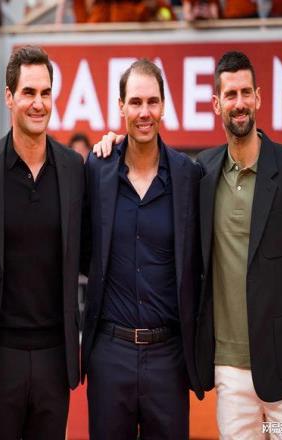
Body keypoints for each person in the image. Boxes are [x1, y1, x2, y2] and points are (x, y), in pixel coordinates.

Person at [195, 51, 282, 439]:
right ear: (216, 103)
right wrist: (113, 143)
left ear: (258, 97)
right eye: (230, 94)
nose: (239, 103)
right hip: (228, 369)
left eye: (245, 93)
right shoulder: (202, 172)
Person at [81, 58, 203, 440]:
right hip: (109, 355)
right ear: (121, 107)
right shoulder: (97, 169)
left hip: (169, 359)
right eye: (135, 102)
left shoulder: (188, 176)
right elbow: (83, 252)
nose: (144, 112)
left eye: (152, 102)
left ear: (164, 106)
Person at [0, 45, 83, 440]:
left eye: (45, 93)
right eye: (29, 92)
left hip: (54, 359)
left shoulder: (74, 168)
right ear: (9, 96)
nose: (38, 103)